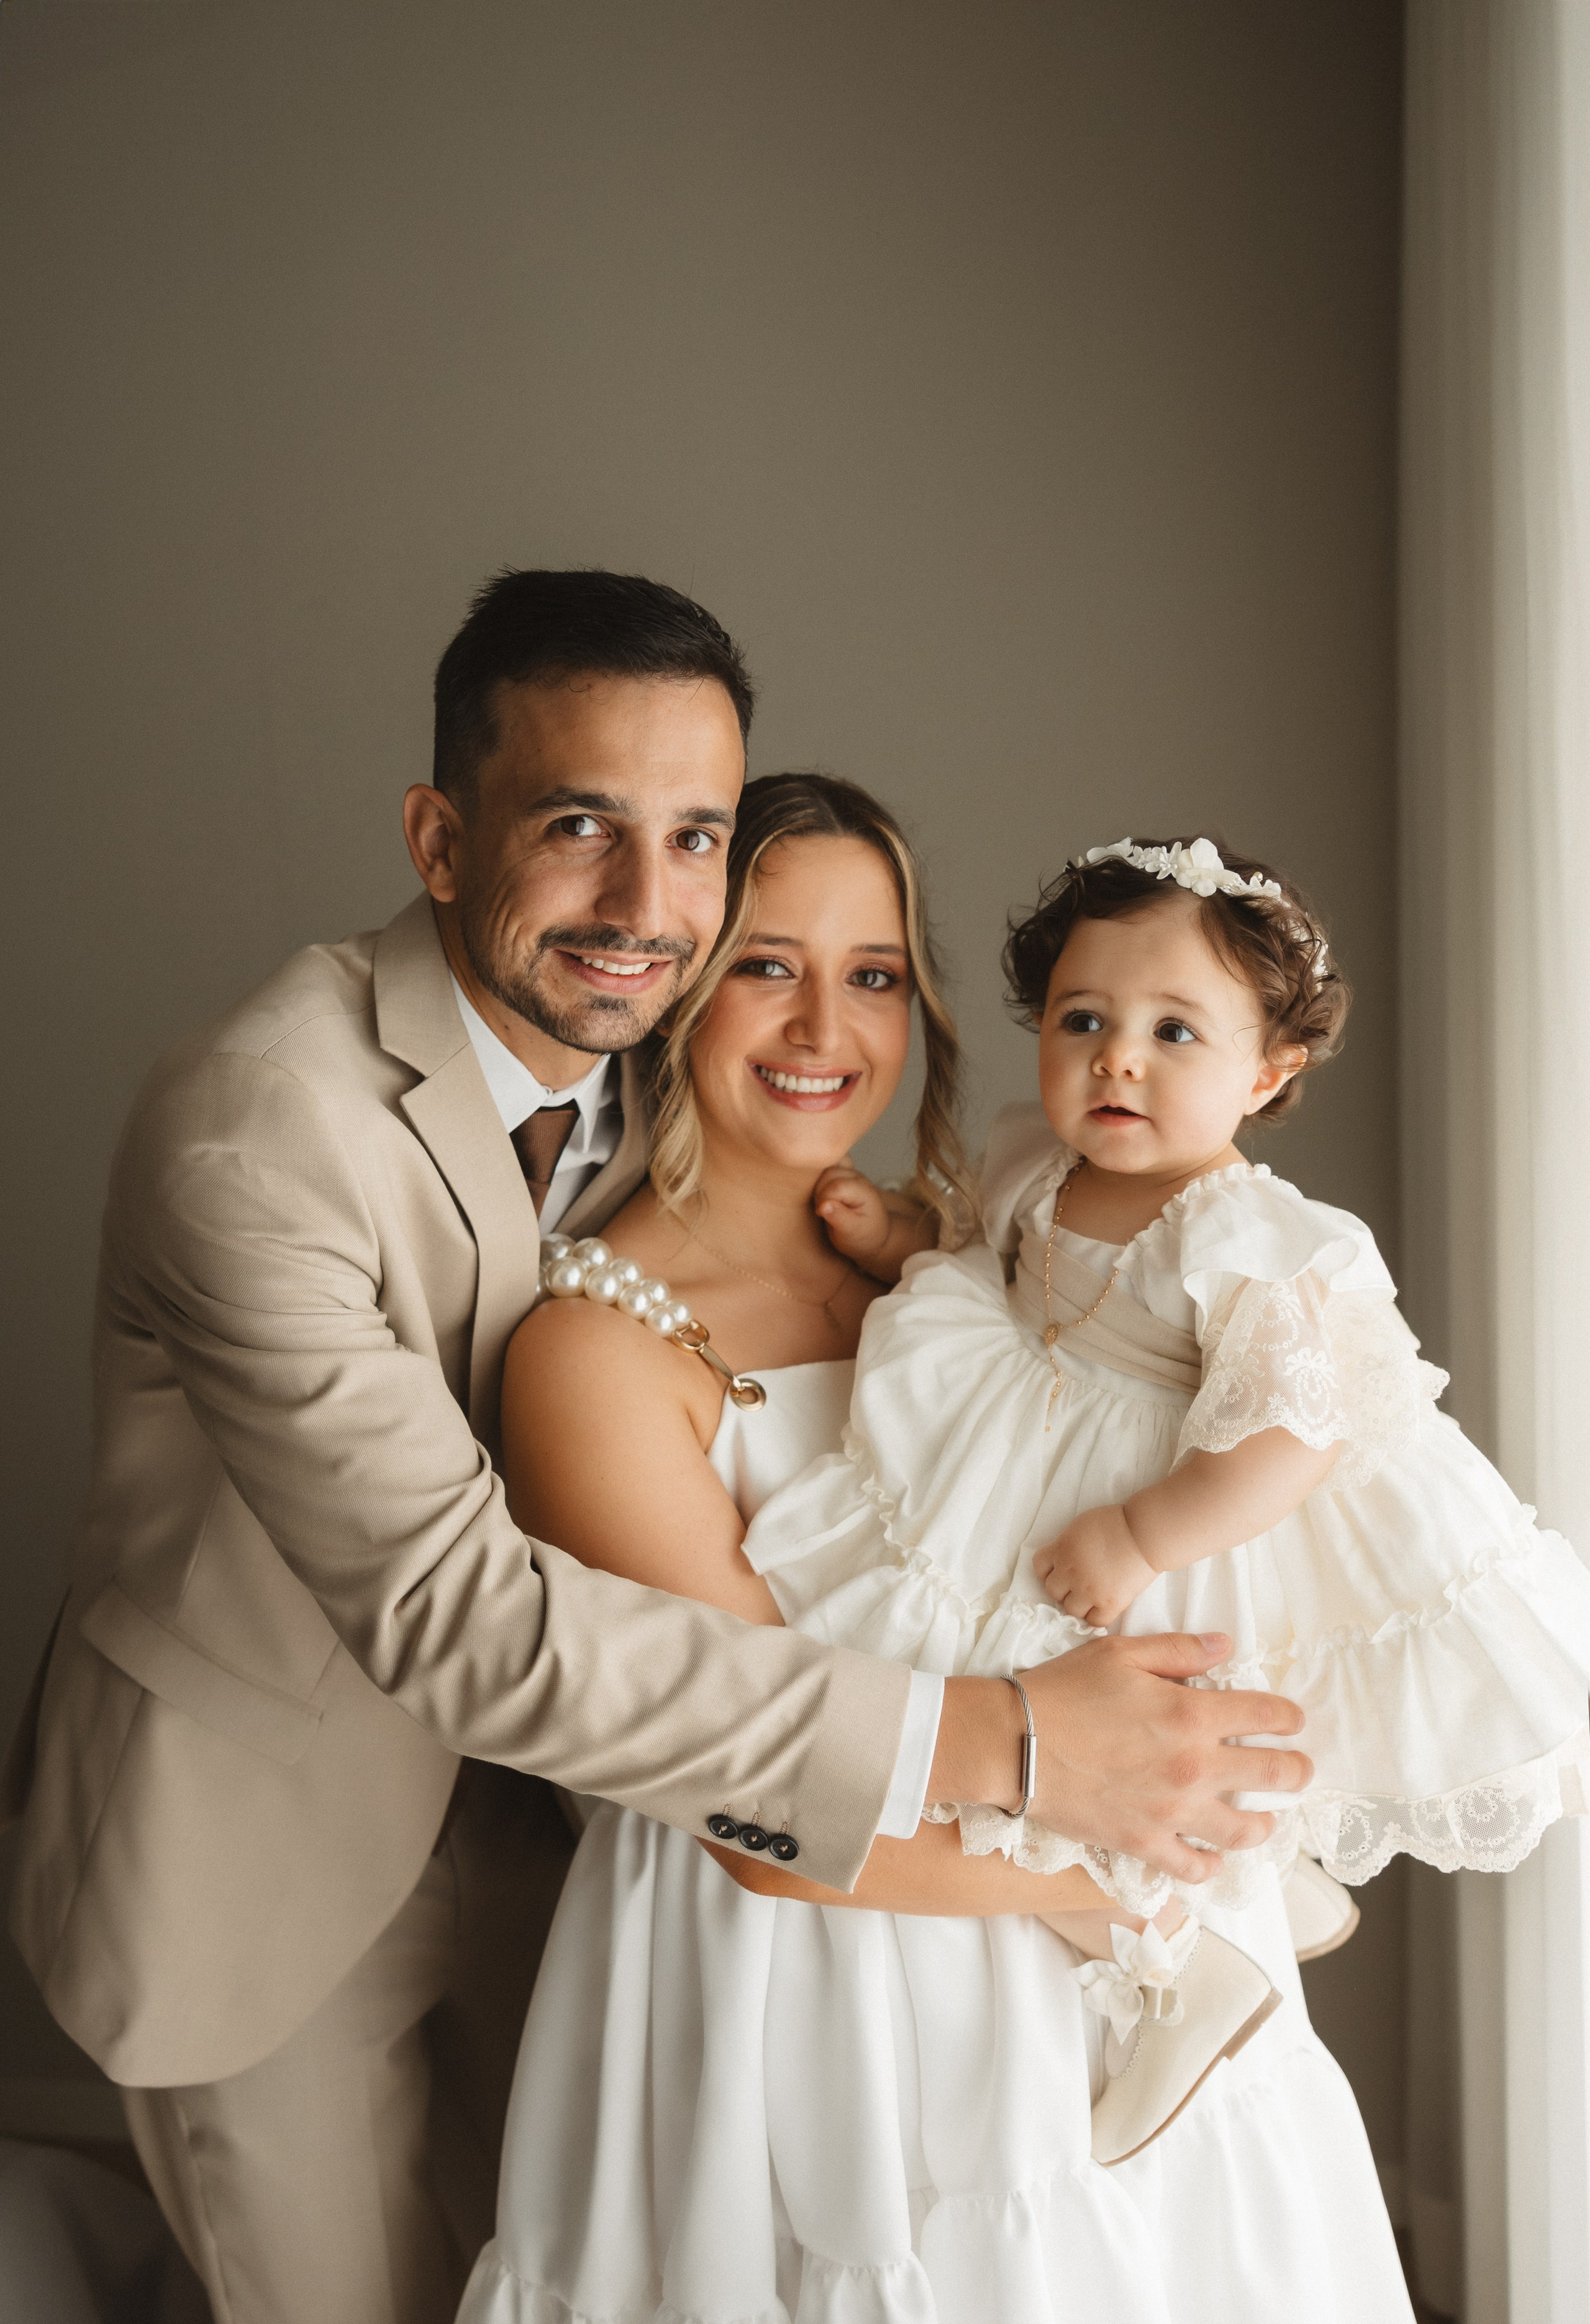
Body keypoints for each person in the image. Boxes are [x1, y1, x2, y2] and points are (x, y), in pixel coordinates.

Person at [1, 582, 1307, 2324]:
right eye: (576, 826)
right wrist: (1015, 1746)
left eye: (693, 838)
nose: (643, 904)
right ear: (439, 837)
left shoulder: (677, 1077)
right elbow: (463, 1614)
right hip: (278, 1834)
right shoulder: (259, 1132)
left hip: (574, 1826)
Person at [458, 778, 1411, 2324]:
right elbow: (744, 1802)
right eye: (766, 964)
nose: (822, 1025)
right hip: (819, 1982)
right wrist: (1133, 1856)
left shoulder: (984, 1263)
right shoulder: (597, 1351)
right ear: (677, 978)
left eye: (874, 973)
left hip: (1124, 1954)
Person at [747, 831, 1590, 2166]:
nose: (1116, 1059)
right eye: (1082, 1018)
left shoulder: (1245, 1232)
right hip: (1019, 1451)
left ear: (1267, 1072)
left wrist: (1144, 1535)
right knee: (965, 1693)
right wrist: (901, 1235)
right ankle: (1239, 1891)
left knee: (1093, 1737)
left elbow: (1293, 1432)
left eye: (1173, 1031)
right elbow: (1000, 1256)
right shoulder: (1039, 1160)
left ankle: (1180, 1957)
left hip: (1165, 1510)